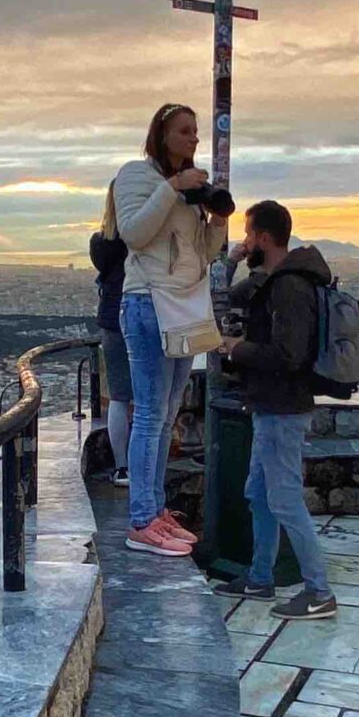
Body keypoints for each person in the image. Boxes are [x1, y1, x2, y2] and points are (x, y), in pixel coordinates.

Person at [110, 103, 231, 557]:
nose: (194, 139)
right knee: (149, 413)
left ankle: (155, 509)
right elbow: (134, 234)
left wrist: (216, 220)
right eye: (185, 132)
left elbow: (204, 253)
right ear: (162, 136)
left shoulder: (190, 190)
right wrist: (172, 188)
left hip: (183, 305)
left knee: (165, 415)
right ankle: (141, 519)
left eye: (196, 132)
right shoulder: (136, 176)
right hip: (147, 302)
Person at [217, 200, 340, 618]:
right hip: (270, 405)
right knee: (260, 495)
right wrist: (231, 264)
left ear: (265, 238)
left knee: (284, 498)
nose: (245, 241)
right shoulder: (277, 279)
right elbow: (227, 297)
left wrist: (239, 349)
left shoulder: (289, 286)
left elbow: (289, 354)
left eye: (249, 234)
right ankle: (260, 577)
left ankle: (319, 591)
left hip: (282, 406)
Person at [88, 210, 133, 486]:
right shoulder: (144, 235)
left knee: (119, 396)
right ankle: (144, 465)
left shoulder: (101, 241)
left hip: (111, 318)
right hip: (145, 314)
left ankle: (122, 467)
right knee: (149, 399)